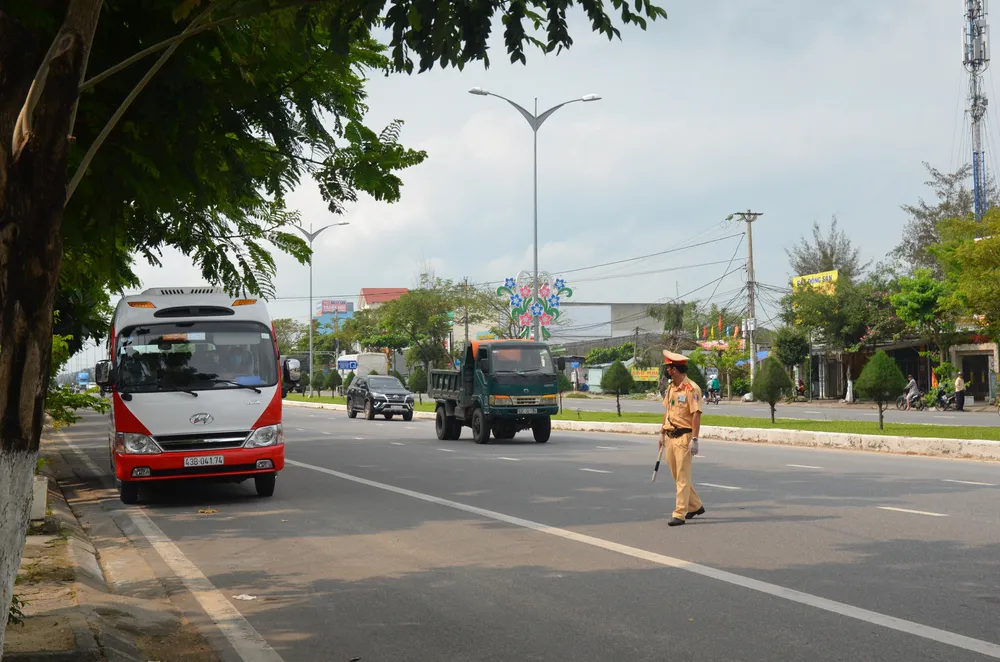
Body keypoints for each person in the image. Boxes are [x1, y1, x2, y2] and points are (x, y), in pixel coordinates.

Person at [659, 350, 705, 527]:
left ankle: (680, 513)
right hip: (670, 436)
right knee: (677, 475)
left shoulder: (692, 389)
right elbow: (667, 411)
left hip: (684, 437)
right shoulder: (671, 388)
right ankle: (695, 505)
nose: (666, 370)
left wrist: (695, 439)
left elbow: (696, 415)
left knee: (683, 477)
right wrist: (661, 432)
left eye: (668, 367)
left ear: (675, 369)